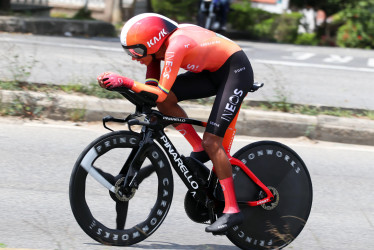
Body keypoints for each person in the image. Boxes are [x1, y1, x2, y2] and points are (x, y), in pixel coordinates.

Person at [97, 13, 254, 234]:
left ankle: (232, 209)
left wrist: (126, 82)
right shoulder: (156, 51)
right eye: (128, 52)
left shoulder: (175, 46)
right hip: (212, 71)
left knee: (213, 142)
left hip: (235, 72)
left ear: (153, 42)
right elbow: (154, 87)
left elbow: (158, 93)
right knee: (169, 101)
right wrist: (127, 88)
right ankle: (198, 147)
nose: (133, 57)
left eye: (136, 51)